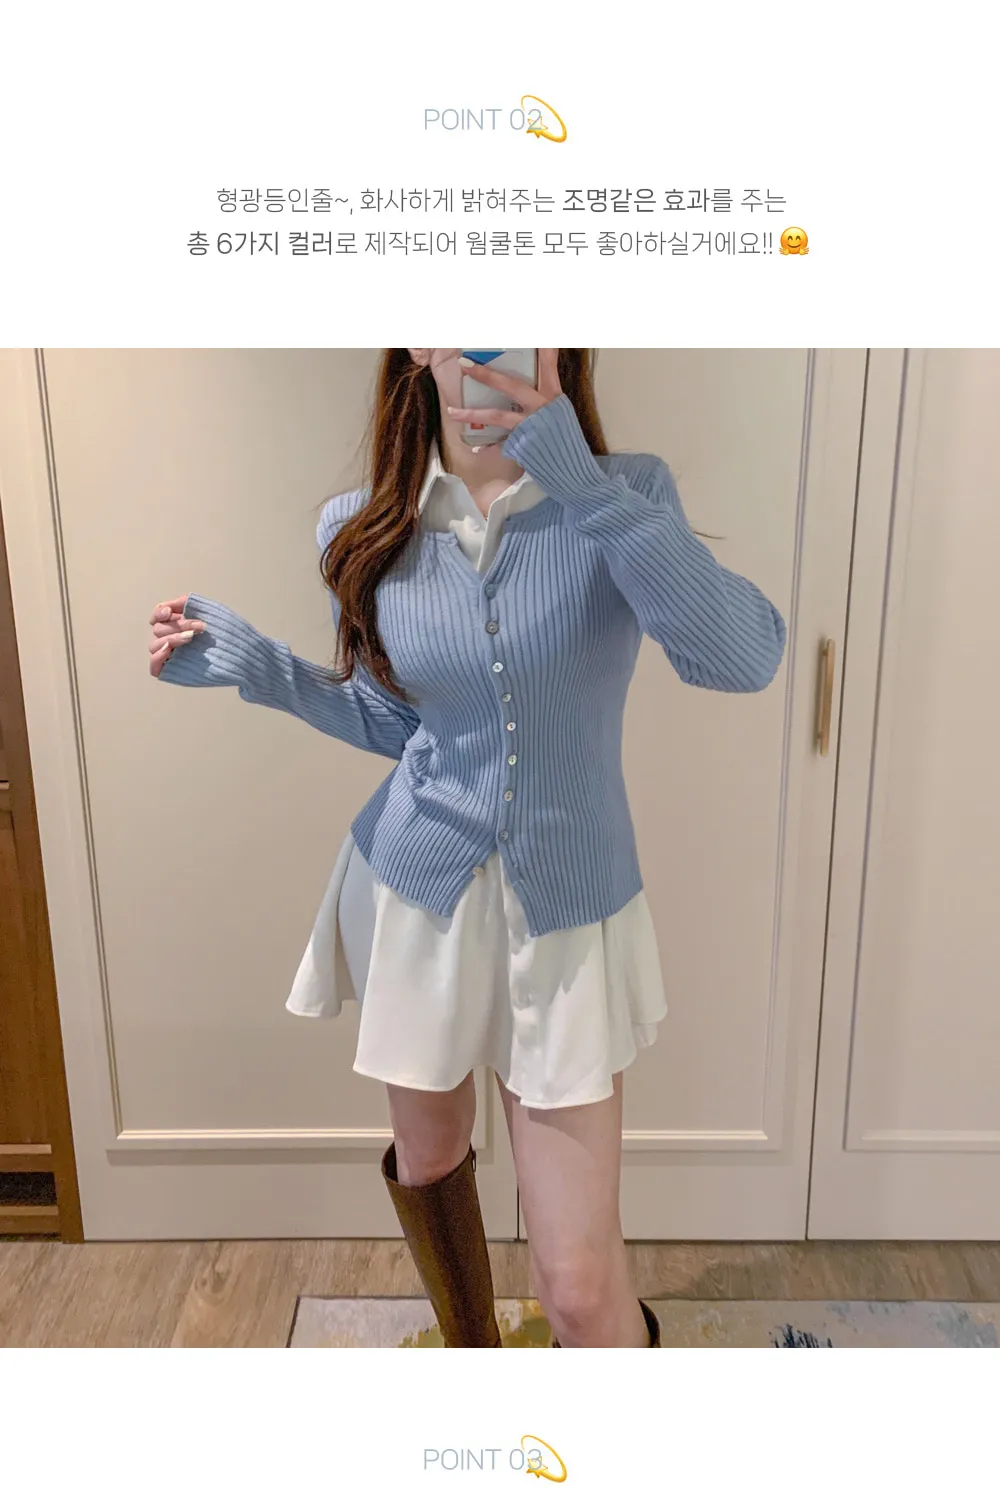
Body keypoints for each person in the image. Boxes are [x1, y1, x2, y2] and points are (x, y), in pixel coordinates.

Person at [149, 348, 786, 1349]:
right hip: (416, 894)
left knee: (578, 1286)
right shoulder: (363, 527)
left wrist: (578, 481)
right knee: (432, 1159)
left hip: (570, 913)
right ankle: (472, 1356)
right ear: (415, 340)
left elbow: (744, 658)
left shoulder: (624, 493)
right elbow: (397, 723)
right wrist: (262, 668)